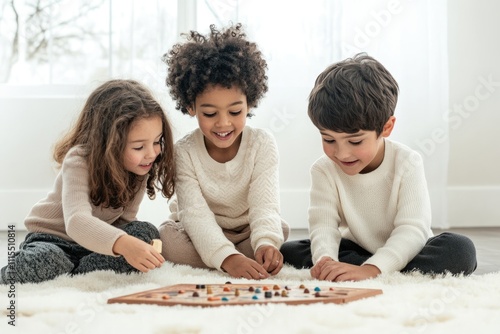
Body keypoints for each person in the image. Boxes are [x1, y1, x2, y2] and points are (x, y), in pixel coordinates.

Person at [280, 53, 477, 282]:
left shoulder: (407, 162)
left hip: (410, 248)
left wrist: (371, 269)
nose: (341, 153)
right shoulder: (324, 170)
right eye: (329, 140)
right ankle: (367, 268)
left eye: (355, 141)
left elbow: (412, 230)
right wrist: (326, 261)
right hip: (357, 247)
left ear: (386, 127)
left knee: (459, 250)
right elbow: (323, 225)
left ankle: (374, 268)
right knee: (290, 251)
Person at [0, 79, 176, 284]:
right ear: (109, 143)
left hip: (95, 247)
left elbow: (125, 221)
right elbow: (77, 222)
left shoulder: (139, 167)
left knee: (145, 232)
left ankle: (77, 274)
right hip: (54, 240)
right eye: (139, 147)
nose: (152, 153)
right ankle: (63, 270)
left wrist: (134, 245)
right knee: (48, 260)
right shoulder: (79, 160)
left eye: (157, 142)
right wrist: (125, 245)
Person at [158, 23, 289, 280]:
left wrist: (265, 243)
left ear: (250, 102)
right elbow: (194, 215)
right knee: (168, 239)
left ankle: (236, 255)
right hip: (198, 231)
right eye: (209, 113)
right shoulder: (184, 152)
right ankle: (226, 257)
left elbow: (265, 206)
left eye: (235, 112)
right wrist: (229, 258)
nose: (223, 123)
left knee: (276, 231)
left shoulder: (261, 144)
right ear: (190, 106)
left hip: (245, 230)